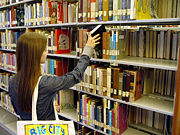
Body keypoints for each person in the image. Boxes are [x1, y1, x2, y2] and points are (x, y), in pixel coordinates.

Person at [8, 32, 100, 120]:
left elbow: (19, 110)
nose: (47, 52)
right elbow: (75, 76)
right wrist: (87, 50)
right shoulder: (45, 83)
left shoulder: (12, 81)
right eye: (44, 50)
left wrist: (47, 105)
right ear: (35, 55)